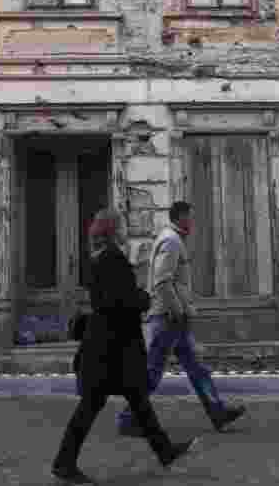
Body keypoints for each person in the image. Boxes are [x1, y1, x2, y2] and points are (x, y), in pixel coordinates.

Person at [52, 208, 196, 485]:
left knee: (137, 401)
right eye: (121, 225)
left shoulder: (101, 258)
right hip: (112, 348)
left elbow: (111, 299)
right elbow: (120, 302)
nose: (125, 230)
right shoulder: (113, 259)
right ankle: (63, 464)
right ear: (113, 230)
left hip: (109, 346)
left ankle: (165, 451)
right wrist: (143, 299)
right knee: (94, 406)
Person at [117, 201, 246, 437]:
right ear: (180, 217)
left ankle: (217, 412)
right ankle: (128, 418)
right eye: (190, 217)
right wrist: (177, 311)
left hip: (173, 318)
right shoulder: (171, 241)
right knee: (152, 373)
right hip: (168, 318)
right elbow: (162, 282)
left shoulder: (172, 239)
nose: (192, 222)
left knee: (197, 369)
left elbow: (173, 283)